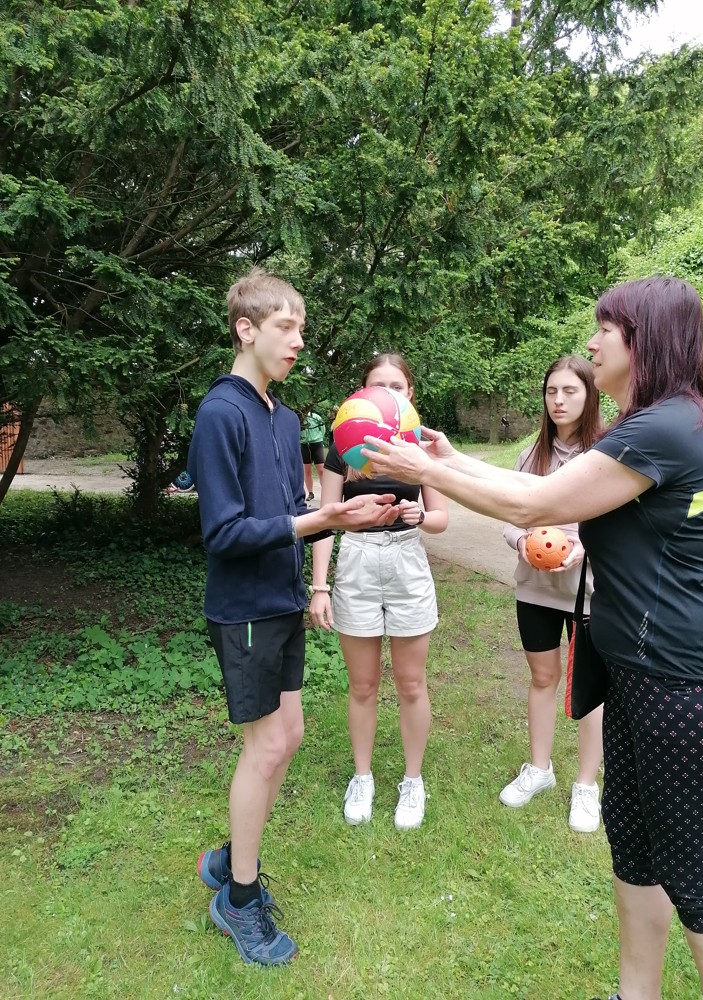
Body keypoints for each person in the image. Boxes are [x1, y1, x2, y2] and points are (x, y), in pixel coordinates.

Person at [362, 277, 703, 1000]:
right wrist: (449, 457)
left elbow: (533, 503)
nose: (593, 343)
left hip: (687, 683)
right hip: (639, 671)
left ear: (646, 340)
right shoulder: (666, 422)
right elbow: (537, 489)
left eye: (607, 328)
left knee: (695, 879)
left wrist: (424, 469)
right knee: (634, 852)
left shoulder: (666, 428)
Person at [186, 269, 399, 967]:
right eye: (286, 327)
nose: (298, 340)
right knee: (267, 747)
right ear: (245, 330)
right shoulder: (220, 414)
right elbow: (223, 532)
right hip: (243, 609)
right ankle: (239, 898)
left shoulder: (282, 418)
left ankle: (230, 860)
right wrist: (319, 518)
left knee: (292, 734)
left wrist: (343, 519)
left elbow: (295, 514)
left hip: (281, 602)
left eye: (301, 328)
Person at [309, 354, 448, 831]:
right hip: (358, 563)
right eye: (378, 385)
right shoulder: (343, 445)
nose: (388, 393)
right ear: (363, 394)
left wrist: (421, 516)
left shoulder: (420, 448)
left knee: (411, 683)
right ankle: (363, 777)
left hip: (408, 562)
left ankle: (413, 780)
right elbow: (324, 520)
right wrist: (320, 586)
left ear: (410, 393)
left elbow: (441, 518)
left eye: (397, 386)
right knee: (363, 685)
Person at [499, 356, 604, 834]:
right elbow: (509, 518)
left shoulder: (605, 455)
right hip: (535, 590)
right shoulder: (530, 456)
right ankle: (539, 769)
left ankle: (586, 784)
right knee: (542, 678)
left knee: (589, 688)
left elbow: (621, 525)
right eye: (551, 391)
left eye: (570, 391)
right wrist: (522, 541)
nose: (558, 401)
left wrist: (586, 547)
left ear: (590, 395)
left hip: (589, 592)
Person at [300, 410, 326, 500]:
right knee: (307, 470)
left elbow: (323, 429)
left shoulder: (316, 417)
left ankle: (325, 492)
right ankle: (310, 493)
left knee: (321, 469)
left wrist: (319, 438)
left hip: (317, 443)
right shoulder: (299, 418)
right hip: (304, 444)